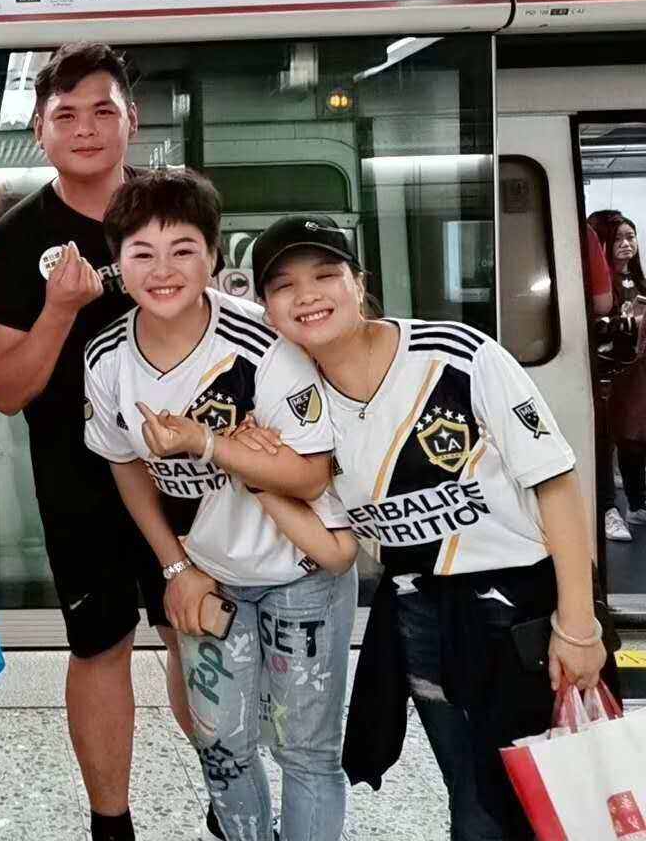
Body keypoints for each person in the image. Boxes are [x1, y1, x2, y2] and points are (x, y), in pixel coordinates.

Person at [252, 214, 609, 841]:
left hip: (521, 612)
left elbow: (554, 481)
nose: (306, 296)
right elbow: (336, 551)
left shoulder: (456, 357)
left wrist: (578, 626)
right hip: (422, 618)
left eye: (325, 275)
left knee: (548, 803)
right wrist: (254, 476)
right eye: (283, 286)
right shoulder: (297, 407)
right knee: (471, 797)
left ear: (360, 284)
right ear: (266, 308)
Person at [0, 42, 210, 841]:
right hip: (78, 475)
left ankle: (231, 796)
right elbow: (6, 391)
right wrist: (59, 311)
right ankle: (112, 824)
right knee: (100, 643)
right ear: (39, 131)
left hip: (189, 472)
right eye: (65, 114)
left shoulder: (172, 210)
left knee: (197, 631)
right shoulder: (17, 237)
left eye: (103, 110)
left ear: (132, 121)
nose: (85, 128)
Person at [84, 172, 357, 841]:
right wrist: (176, 568)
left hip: (300, 571)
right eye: (142, 253)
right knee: (223, 749)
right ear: (118, 264)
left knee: (305, 753)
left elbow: (311, 476)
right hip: (211, 575)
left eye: (183, 249)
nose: (163, 270)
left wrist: (209, 444)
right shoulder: (107, 357)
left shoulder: (264, 341)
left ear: (212, 255)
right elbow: (124, 463)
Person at [596, 214, 646, 538]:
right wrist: (631, 324)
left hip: (634, 374)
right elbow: (593, 327)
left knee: (633, 440)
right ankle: (607, 510)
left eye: (631, 236)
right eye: (618, 238)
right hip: (603, 374)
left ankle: (637, 503)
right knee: (604, 443)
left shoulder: (639, 282)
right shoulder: (597, 286)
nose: (627, 243)